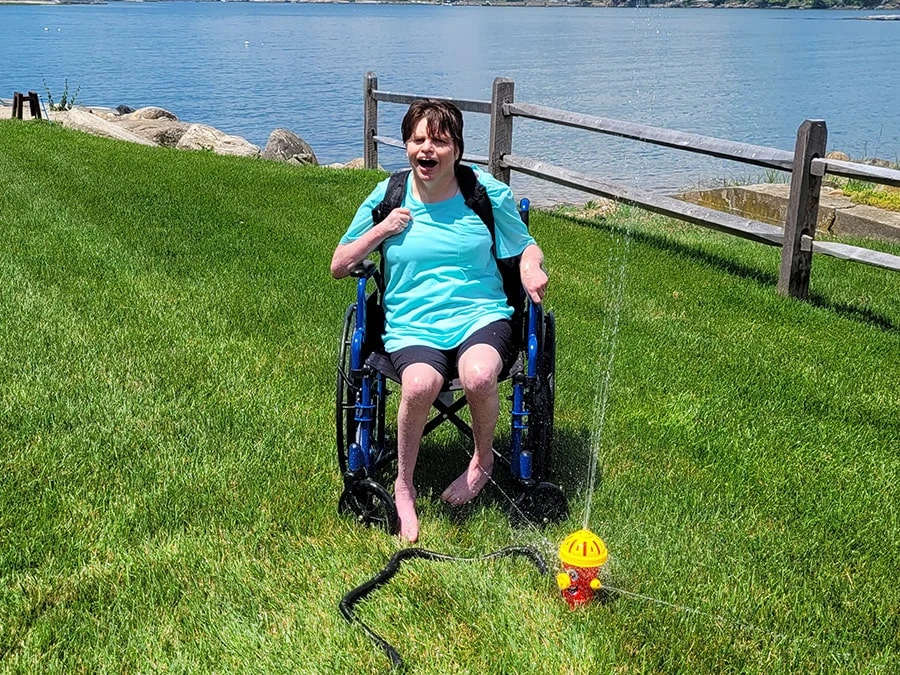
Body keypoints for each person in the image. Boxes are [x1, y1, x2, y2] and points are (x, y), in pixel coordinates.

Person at [330, 99, 548, 542]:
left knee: (480, 375)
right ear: (407, 145)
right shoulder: (388, 195)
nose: (426, 149)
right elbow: (339, 264)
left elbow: (526, 244)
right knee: (418, 385)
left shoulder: (484, 193)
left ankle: (482, 461)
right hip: (412, 322)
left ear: (457, 149)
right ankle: (403, 485)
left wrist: (530, 267)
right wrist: (383, 229)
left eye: (439, 141)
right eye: (417, 140)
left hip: (480, 315)